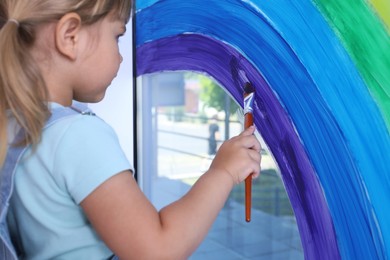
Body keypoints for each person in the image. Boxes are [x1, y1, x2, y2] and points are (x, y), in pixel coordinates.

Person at [0, 0, 262, 259]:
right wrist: (223, 172)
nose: (121, 56)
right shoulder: (77, 136)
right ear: (70, 36)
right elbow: (158, 249)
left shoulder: (13, 126)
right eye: (117, 36)